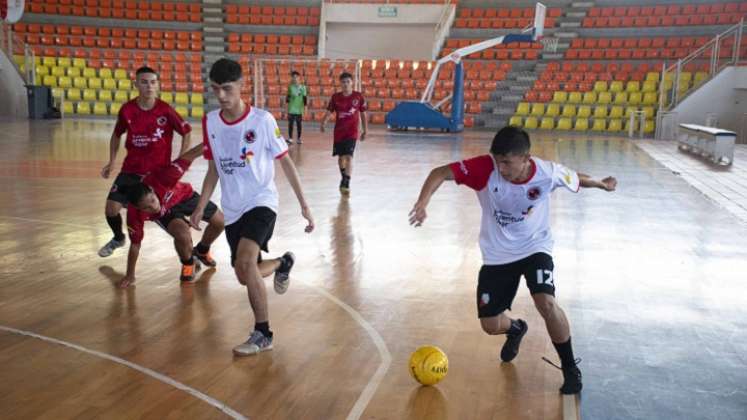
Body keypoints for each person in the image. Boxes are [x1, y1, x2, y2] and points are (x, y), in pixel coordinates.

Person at [408, 126, 617, 395]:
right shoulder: (485, 169)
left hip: (535, 247)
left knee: (547, 302)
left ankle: (569, 367)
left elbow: (575, 178)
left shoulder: (546, 173)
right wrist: (422, 202)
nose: (501, 168)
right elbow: (440, 172)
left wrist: (601, 183)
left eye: (507, 162)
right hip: (497, 254)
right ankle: (516, 328)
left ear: (525, 158)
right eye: (498, 161)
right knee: (490, 325)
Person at [191, 58, 315, 357]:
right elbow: (213, 169)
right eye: (216, 89)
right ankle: (283, 262)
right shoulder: (211, 122)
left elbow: (285, 161)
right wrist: (200, 206)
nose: (221, 96)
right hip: (232, 209)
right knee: (245, 274)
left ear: (241, 85)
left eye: (227, 89)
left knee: (246, 263)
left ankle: (263, 333)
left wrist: (304, 205)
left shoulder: (262, 120)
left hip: (261, 201)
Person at [99, 66, 192, 258]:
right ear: (136, 85)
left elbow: (186, 131)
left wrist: (182, 158)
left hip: (157, 175)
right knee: (111, 209)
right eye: (144, 82)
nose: (149, 86)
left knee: (164, 216)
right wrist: (111, 161)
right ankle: (118, 238)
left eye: (152, 82)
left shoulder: (165, 110)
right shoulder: (127, 110)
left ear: (157, 85)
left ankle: (189, 253)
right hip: (131, 171)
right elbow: (116, 135)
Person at [119, 143, 224, 289]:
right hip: (167, 213)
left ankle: (202, 250)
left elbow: (191, 154)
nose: (153, 207)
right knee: (182, 234)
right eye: (147, 208)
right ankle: (188, 263)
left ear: (151, 189)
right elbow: (135, 245)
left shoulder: (164, 176)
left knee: (220, 222)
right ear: (137, 208)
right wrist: (130, 274)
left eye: (152, 200)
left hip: (185, 197)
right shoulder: (134, 214)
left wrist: (214, 141)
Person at [320, 72, 367, 195]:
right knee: (341, 158)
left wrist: (365, 130)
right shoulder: (335, 97)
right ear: (340, 83)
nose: (346, 84)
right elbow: (329, 111)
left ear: (352, 82)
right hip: (339, 132)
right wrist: (324, 122)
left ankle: (346, 181)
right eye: (343, 82)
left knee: (349, 156)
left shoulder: (358, 97)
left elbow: (363, 113)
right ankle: (344, 177)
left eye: (348, 82)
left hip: (352, 132)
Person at [286, 70, 307, 145]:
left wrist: (305, 110)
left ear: (299, 78)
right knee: (290, 124)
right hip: (291, 109)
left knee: (299, 124)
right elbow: (287, 99)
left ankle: (299, 138)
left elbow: (305, 100)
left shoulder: (303, 87)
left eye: (296, 77)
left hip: (299, 110)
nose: (294, 78)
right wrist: (287, 110)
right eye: (293, 77)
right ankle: (290, 138)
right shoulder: (290, 87)